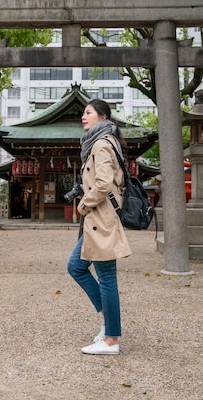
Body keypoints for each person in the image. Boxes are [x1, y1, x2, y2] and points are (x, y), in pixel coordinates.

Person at [67, 99, 131, 355]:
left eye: (88, 112)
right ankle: (110, 321)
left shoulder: (102, 144)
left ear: (102, 118)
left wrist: (83, 204)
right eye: (83, 112)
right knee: (76, 266)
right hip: (99, 218)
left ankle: (111, 339)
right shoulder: (100, 142)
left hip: (101, 218)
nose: (84, 116)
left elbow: (104, 183)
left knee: (106, 277)